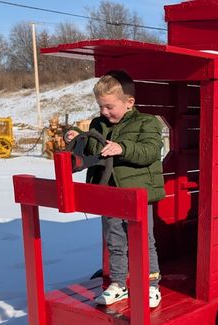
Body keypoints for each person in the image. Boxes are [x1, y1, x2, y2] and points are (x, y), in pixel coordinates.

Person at [65, 70, 165, 308]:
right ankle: (119, 283)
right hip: (107, 193)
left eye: (109, 107)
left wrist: (123, 148)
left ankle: (152, 285)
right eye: (101, 106)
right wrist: (77, 138)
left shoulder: (147, 122)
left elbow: (150, 150)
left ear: (129, 103)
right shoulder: (98, 124)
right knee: (115, 240)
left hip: (137, 195)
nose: (104, 112)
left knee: (143, 240)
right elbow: (90, 149)